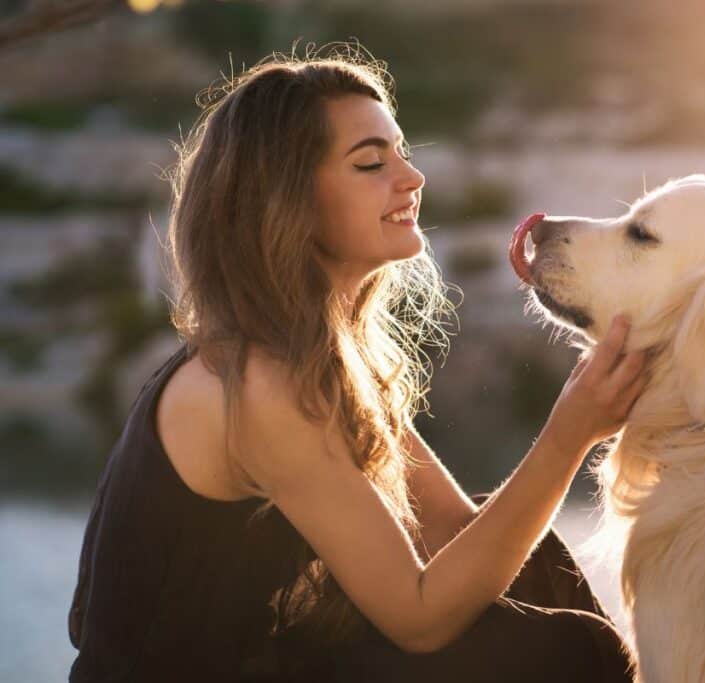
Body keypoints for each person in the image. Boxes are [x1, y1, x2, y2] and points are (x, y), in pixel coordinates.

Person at [68, 46, 648, 682]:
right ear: (287, 201)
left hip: (278, 664)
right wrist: (571, 433)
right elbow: (420, 619)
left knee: (538, 561)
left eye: (402, 152)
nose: (411, 177)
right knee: (566, 652)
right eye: (372, 162)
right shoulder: (258, 383)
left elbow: (455, 534)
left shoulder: (318, 355)